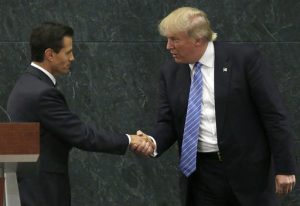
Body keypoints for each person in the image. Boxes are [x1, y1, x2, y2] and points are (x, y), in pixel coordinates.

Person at [137, 7, 296, 206]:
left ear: (198, 39)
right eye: (167, 39)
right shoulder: (170, 72)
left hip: (248, 173)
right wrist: (152, 141)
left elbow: (274, 115)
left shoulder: (244, 59)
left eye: (175, 39)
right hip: (201, 174)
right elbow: (168, 122)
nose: (169, 46)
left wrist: (285, 167)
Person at [7, 22, 154, 206]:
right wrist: (130, 140)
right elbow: (83, 135)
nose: (72, 58)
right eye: (67, 52)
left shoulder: (26, 83)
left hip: (31, 188)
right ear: (50, 54)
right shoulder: (43, 93)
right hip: (43, 192)